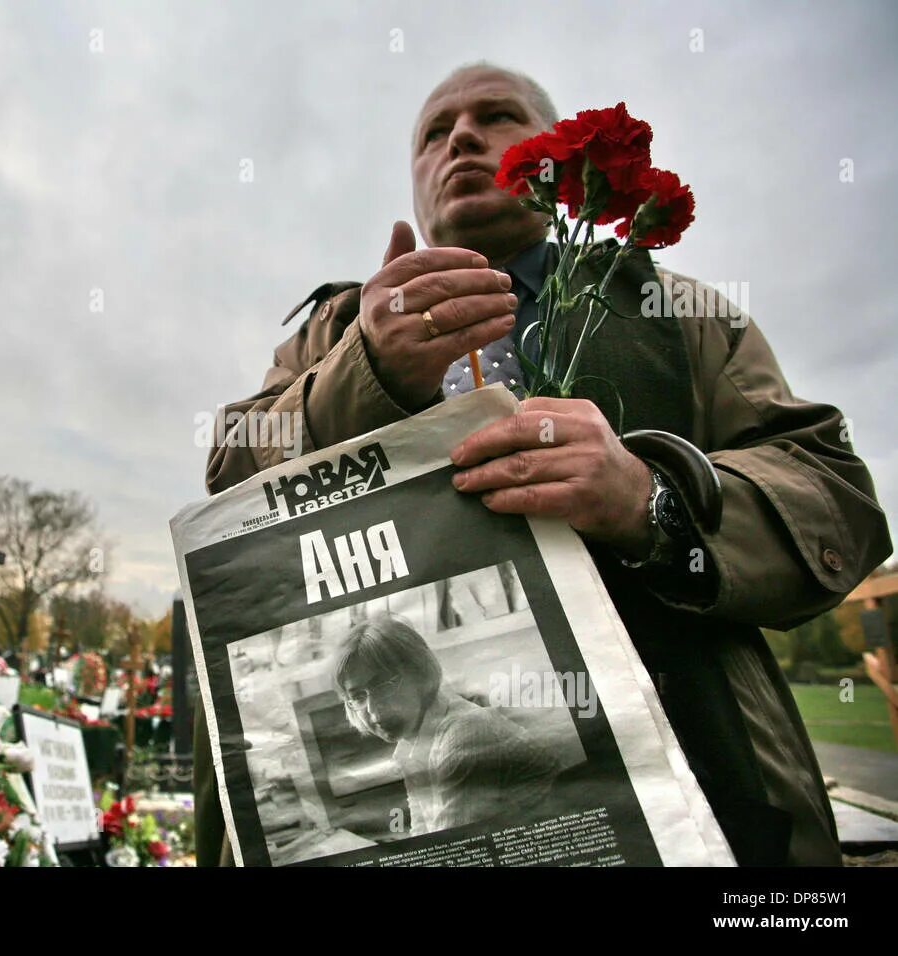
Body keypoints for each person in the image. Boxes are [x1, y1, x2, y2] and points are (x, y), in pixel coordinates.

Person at [194, 62, 892, 866]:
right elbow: (226, 478)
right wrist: (363, 374)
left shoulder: (675, 314)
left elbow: (834, 493)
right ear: (415, 182)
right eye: (432, 133)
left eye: (497, 116)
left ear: (559, 157)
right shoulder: (332, 332)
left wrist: (653, 502)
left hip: (705, 804)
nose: (460, 136)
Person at [334, 615, 559, 837]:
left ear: (419, 674)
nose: (373, 709)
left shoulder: (465, 732)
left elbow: (452, 848)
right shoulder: (409, 748)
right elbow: (424, 833)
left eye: (384, 685)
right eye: (357, 696)